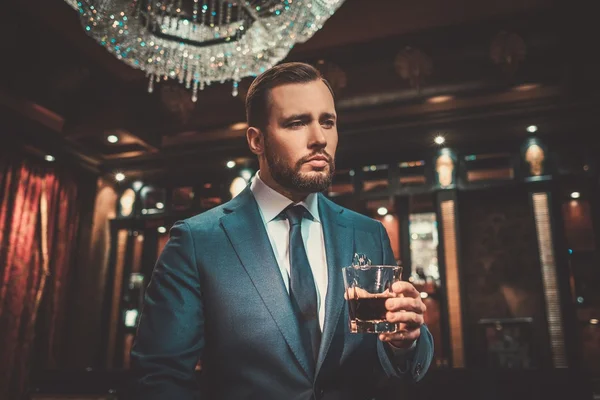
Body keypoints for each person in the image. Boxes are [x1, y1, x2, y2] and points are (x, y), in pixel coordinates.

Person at [130, 62, 433, 400]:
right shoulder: (198, 241)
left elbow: (386, 366)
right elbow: (159, 376)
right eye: (297, 123)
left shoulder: (368, 234)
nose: (319, 138)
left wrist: (406, 342)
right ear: (257, 140)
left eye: (327, 122)